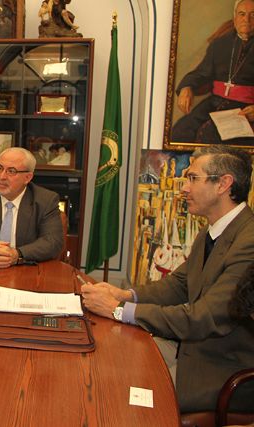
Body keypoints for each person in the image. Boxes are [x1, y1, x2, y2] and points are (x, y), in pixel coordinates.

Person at [81, 145, 254, 413]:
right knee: (109, 364)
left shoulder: (248, 242)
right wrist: (124, 295)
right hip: (191, 350)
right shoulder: (211, 232)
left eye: (193, 178)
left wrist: (118, 310)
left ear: (223, 184)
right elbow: (179, 284)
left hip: (221, 371)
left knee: (124, 403)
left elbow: (203, 317)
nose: (184, 188)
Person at [171, 0, 254, 145]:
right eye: (242, 14)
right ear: (235, 17)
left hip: (246, 110)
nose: (246, 19)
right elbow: (202, 73)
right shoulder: (220, 43)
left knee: (210, 135)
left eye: (253, 15)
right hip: (214, 103)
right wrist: (186, 87)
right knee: (181, 131)